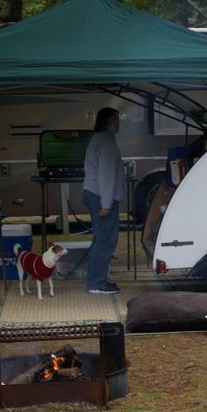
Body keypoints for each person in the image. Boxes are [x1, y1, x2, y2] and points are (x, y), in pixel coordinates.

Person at [82, 107, 124, 294]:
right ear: (104, 122)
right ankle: (96, 283)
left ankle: (97, 280)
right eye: (113, 120)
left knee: (101, 239)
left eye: (118, 119)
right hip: (101, 196)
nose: (117, 123)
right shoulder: (106, 142)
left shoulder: (99, 139)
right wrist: (106, 204)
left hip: (93, 192)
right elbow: (106, 175)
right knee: (105, 240)